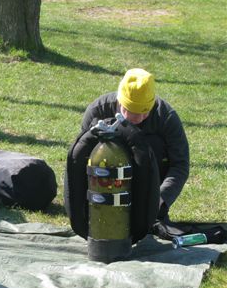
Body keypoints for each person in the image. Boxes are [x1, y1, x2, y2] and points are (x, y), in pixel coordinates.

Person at [81, 68, 189, 223]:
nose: (138, 118)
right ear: (120, 101)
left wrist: (159, 200)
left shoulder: (165, 117)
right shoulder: (98, 111)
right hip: (105, 192)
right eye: (131, 111)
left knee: (155, 145)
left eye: (144, 113)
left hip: (149, 192)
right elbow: (80, 159)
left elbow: (180, 164)